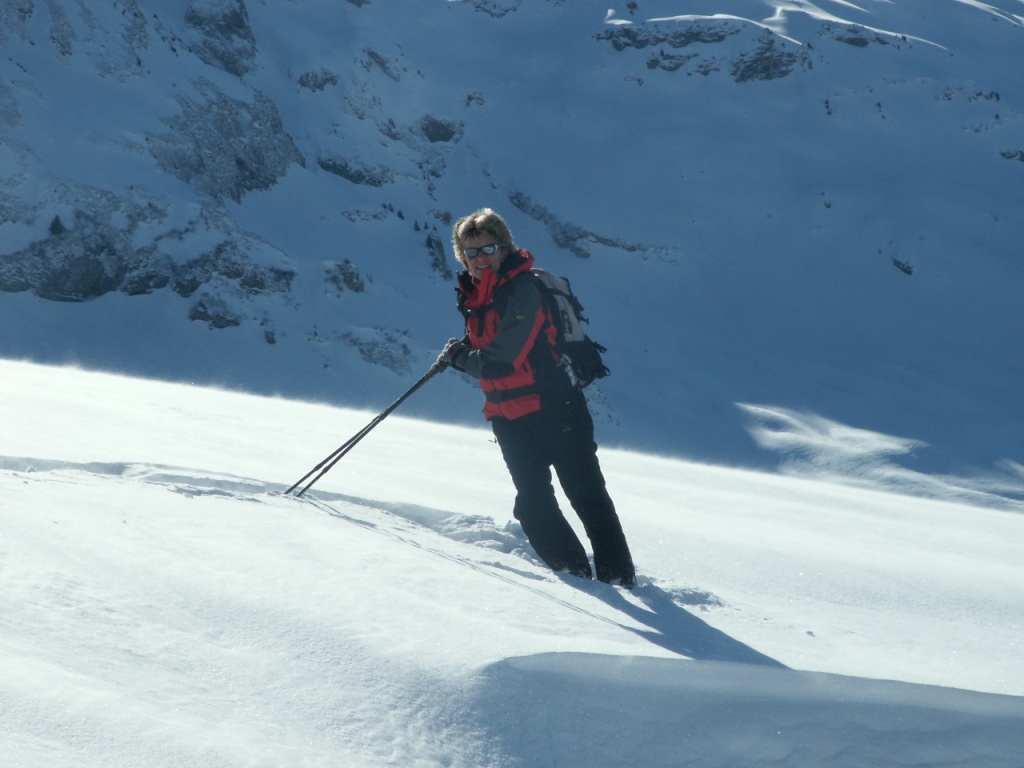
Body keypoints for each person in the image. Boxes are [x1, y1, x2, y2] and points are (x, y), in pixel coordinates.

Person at [437, 208, 636, 588]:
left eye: (488, 248)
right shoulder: (478, 294)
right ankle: (577, 580)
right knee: (532, 504)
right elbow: (495, 342)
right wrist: (464, 349)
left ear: (504, 248)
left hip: (555, 408)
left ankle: (617, 581)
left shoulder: (522, 290)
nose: (480, 258)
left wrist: (460, 358)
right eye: (471, 252)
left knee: (587, 498)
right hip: (507, 415)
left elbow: (500, 361)